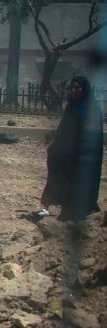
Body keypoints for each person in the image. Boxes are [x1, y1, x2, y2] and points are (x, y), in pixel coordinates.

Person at [40, 76, 104, 223]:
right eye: (72, 88)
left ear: (84, 89)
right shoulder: (72, 106)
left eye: (77, 88)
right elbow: (65, 130)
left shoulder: (91, 109)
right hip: (70, 154)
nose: (74, 91)